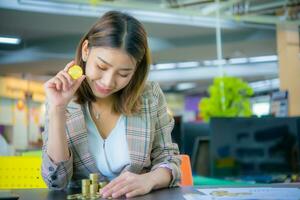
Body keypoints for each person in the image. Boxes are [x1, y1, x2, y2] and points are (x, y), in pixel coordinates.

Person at [42, 10, 181, 198]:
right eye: (101, 67)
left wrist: (150, 180)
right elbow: (57, 182)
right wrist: (58, 109)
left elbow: (170, 160)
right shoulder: (61, 98)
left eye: (123, 74)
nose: (108, 82)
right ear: (85, 50)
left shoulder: (150, 96)